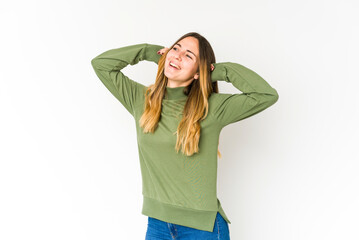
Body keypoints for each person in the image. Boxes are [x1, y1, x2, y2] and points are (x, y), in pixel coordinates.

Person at [91, 32, 279, 240]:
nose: (178, 56)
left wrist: (217, 72)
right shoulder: (141, 100)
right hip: (157, 225)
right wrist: (149, 52)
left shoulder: (212, 108)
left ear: (199, 71)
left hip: (202, 230)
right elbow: (101, 64)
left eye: (189, 56)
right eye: (175, 48)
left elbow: (266, 95)